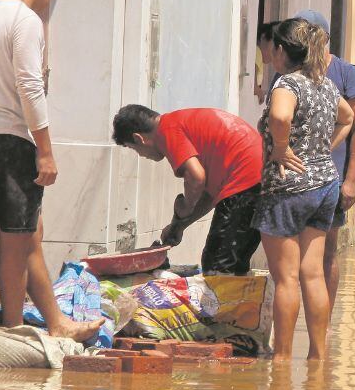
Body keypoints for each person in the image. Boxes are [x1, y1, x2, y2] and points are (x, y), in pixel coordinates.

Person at [0, 0, 102, 341]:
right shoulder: (26, 20)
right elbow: (30, 87)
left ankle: (56, 323)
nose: (50, 1)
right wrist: (46, 150)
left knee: (30, 232)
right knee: (17, 239)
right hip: (13, 139)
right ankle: (14, 327)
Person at [255, 18, 354, 360]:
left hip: (288, 188)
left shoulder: (287, 84)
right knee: (313, 274)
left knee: (286, 278)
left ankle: (281, 358)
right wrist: (324, 148)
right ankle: (317, 355)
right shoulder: (325, 85)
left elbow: (280, 118)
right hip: (325, 185)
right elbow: (348, 117)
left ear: (281, 50)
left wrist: (280, 148)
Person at [111, 104, 263, 275]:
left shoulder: (167, 130)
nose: (141, 155)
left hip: (245, 181)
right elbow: (208, 196)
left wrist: (186, 206)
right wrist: (180, 225)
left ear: (139, 139)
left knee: (217, 264)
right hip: (260, 182)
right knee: (235, 264)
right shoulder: (178, 123)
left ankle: (224, 300)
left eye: (134, 148)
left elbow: (196, 177)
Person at [292, 10, 355, 317]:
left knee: (326, 252)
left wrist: (350, 181)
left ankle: (322, 321)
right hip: (292, 180)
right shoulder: (291, 74)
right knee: (290, 255)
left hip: (331, 181)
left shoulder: (347, 74)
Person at [255, 21, 279, 104]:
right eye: (274, 45)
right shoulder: (257, 52)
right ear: (263, 38)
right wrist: (257, 88)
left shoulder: (259, 57)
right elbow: (253, 71)